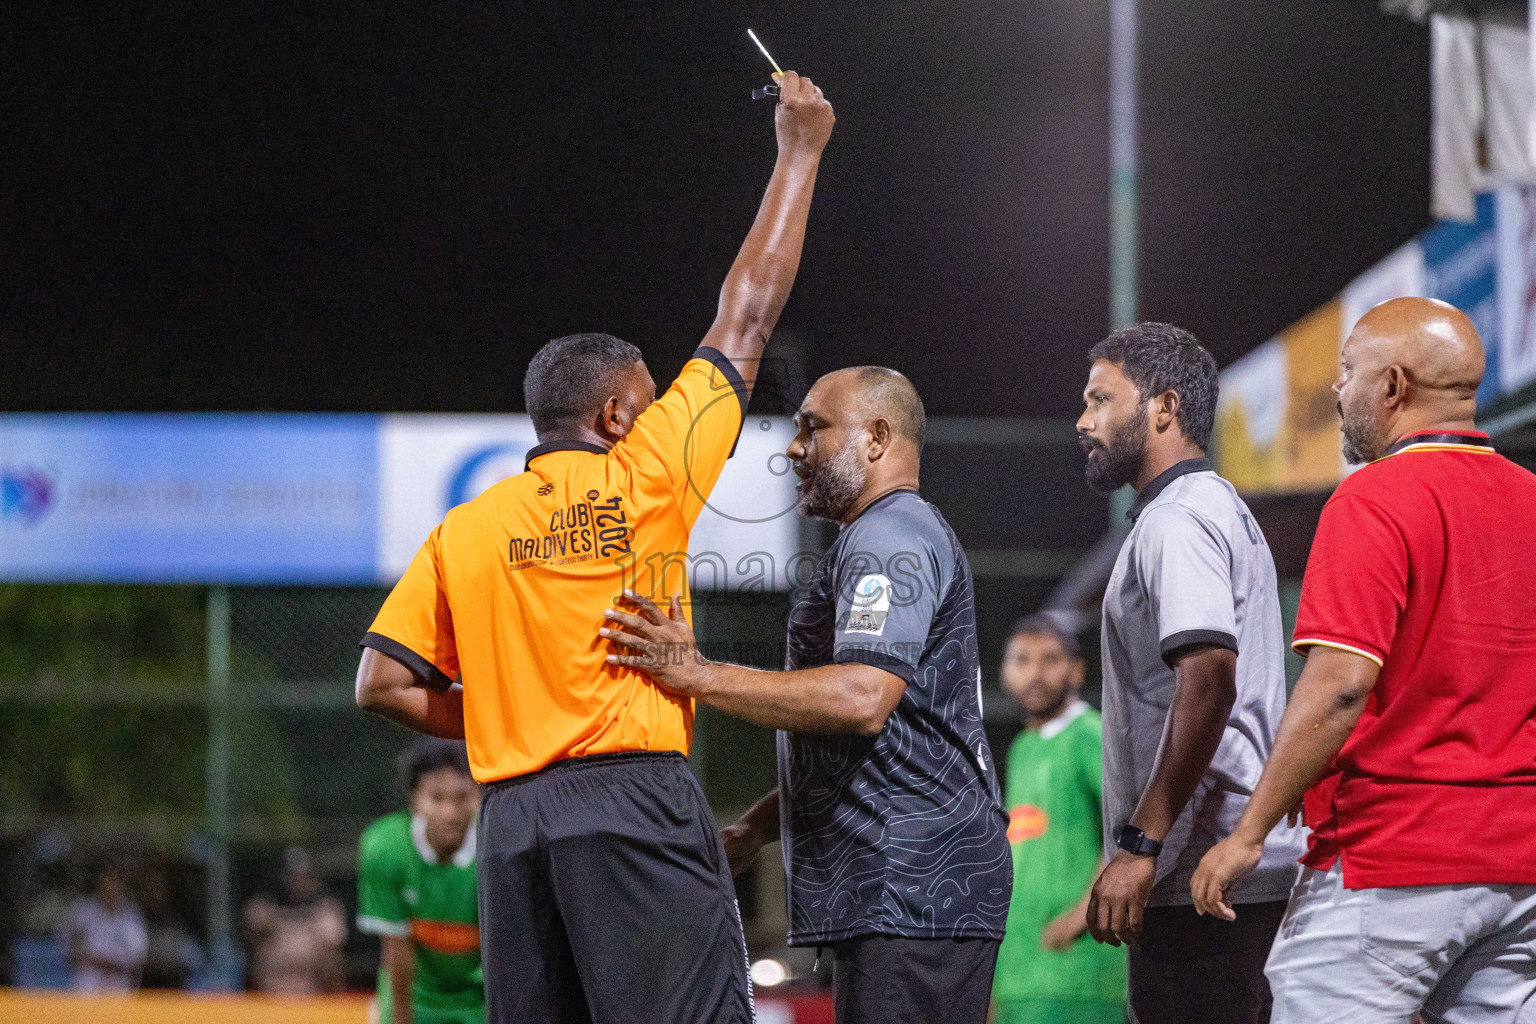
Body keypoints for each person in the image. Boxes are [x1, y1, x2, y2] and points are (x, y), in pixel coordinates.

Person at [354, 71, 835, 1024]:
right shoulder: (646, 470)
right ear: (617, 413)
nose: (661, 407)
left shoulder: (465, 527)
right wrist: (800, 150)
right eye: (652, 396)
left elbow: (379, 683)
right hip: (634, 801)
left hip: (512, 820)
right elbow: (746, 314)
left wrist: (500, 716)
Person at [598, 366, 1012, 1024]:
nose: (793, 448)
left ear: (876, 437)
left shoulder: (889, 537)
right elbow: (889, 729)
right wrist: (761, 826)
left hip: (913, 885)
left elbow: (863, 698)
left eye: (813, 428)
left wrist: (697, 673)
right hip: (908, 885)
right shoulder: (879, 534)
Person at [1191, 297, 1536, 1023]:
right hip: (1519, 864)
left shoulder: (1373, 498)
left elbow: (1341, 688)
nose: (1338, 392)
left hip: (1392, 856)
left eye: (1348, 372)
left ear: (1393, 387)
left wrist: (1249, 834)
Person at [1075, 322, 1303, 1024]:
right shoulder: (1216, 507)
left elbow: (1207, 676)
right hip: (1227, 872)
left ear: (1163, 408)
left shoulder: (1178, 520)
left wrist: (1142, 844)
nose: (1083, 421)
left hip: (1205, 879)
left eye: (1100, 400)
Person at [990, 615, 1126, 1024]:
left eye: (1050, 659)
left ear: (1077, 670)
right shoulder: (1022, 748)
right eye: (1022, 660)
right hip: (1019, 976)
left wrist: (1079, 916)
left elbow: (1130, 831)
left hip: (1077, 974)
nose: (1035, 673)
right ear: (1004, 672)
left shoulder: (1089, 733)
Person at [358, 739, 484, 1024]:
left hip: (480, 1004)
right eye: (437, 798)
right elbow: (396, 954)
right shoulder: (385, 848)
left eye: (461, 797)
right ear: (415, 800)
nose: (450, 813)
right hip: (415, 1003)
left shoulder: (497, 851)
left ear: (478, 797)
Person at [243, 847, 346, 994]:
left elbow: (334, 953)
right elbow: (253, 933)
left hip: (311, 992)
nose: (298, 882)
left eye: (304, 877)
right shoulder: (264, 905)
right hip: (271, 992)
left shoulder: (326, 909)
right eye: (293, 876)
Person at [65, 864, 147, 992]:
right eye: (108, 882)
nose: (111, 888)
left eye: (115, 883)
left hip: (118, 982)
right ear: (100, 884)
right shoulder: (82, 911)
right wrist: (86, 958)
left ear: (122, 886)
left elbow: (138, 955)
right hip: (87, 982)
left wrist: (110, 961)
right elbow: (68, 946)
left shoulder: (131, 917)